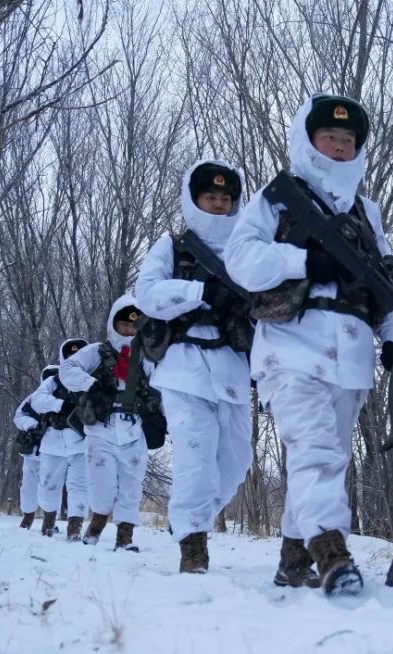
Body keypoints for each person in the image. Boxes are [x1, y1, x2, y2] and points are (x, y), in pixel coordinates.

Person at [226, 94, 393, 595]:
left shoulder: (366, 213)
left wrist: (392, 337)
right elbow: (240, 259)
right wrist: (304, 263)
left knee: (327, 459)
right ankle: (332, 554)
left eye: (349, 140)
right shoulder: (279, 197)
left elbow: (387, 286)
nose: (340, 147)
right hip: (291, 345)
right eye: (330, 137)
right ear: (308, 140)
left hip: (350, 354)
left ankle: (292, 561)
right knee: (316, 453)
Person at [135, 160, 253, 574]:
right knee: (196, 454)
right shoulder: (172, 246)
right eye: (211, 197)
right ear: (195, 200)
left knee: (236, 460)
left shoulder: (247, 248)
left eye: (226, 199)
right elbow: (146, 295)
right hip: (184, 363)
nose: (219, 205)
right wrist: (201, 291)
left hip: (233, 366)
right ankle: (193, 543)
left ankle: (189, 517)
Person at [59, 296, 157, 552]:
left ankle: (125, 539)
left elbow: (160, 383)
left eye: (134, 327)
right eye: (124, 325)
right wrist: (90, 384)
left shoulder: (146, 356)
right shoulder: (95, 351)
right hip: (101, 427)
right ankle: (95, 528)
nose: (129, 331)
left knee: (131, 484)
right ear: (114, 324)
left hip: (134, 428)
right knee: (102, 484)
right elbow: (67, 370)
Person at [28, 338, 89, 540]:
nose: (75, 359)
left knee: (79, 485)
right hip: (53, 439)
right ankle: (48, 523)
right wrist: (59, 404)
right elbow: (37, 400)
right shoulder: (53, 381)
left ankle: (75, 528)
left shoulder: (92, 379)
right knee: (48, 484)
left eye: (79, 355)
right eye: (70, 355)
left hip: (81, 440)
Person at [12, 364, 59, 529]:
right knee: (29, 484)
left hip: (55, 449)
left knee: (52, 484)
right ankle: (28, 517)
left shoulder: (65, 399)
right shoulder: (34, 398)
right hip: (33, 448)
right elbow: (19, 416)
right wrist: (33, 425)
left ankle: (50, 519)